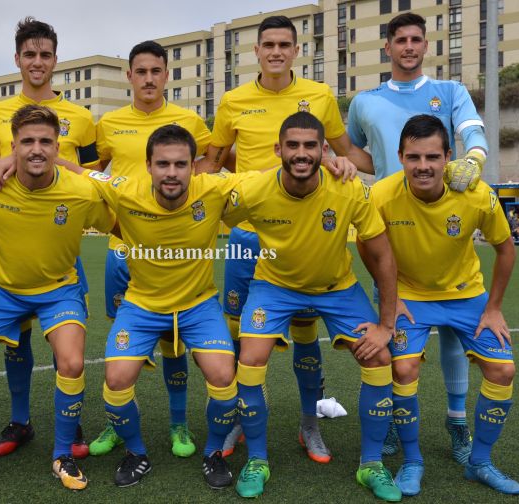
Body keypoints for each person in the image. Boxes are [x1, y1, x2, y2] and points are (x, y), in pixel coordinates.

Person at [197, 15, 370, 462]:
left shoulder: (319, 96)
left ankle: (309, 424)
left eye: (284, 45)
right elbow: (212, 163)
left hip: (303, 232)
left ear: (297, 51)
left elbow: (343, 151)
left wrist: (395, 164)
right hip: (247, 233)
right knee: (239, 333)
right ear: (254, 52)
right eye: (267, 44)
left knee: (305, 331)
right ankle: (239, 417)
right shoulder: (233, 101)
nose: (276, 51)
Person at [221, 112, 401, 501]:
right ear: (278, 150)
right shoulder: (253, 189)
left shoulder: (349, 189)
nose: (300, 154)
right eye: (292, 146)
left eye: (309, 146)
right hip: (275, 286)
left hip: (337, 288)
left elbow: (382, 255)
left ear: (324, 150)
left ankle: (372, 464)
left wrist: (386, 323)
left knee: (379, 357)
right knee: (249, 357)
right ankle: (258, 459)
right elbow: (207, 210)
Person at [0, 105, 114, 492]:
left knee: (71, 363)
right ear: (13, 147)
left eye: (44, 142)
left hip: (59, 289)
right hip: (0, 289)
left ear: (58, 147)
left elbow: (119, 220)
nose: (36, 149)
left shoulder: (82, 191)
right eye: (27, 141)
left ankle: (62, 454)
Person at [347, 12, 490, 461]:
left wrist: (476, 158)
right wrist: (358, 169)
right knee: (392, 330)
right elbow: (355, 150)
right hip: (390, 227)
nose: (408, 46)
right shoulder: (364, 101)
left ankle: (457, 422)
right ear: (386, 48)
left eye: (416, 39)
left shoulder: (448, 92)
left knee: (451, 331)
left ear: (425, 45)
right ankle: (392, 422)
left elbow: (471, 131)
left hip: (443, 224)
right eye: (400, 40)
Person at [87, 124, 254, 489]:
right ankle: (136, 452)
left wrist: (329, 164)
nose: (172, 173)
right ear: (147, 165)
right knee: (115, 381)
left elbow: (270, 177)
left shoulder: (212, 189)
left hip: (198, 305)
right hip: (142, 305)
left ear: (193, 167)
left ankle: (212, 453)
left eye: (181, 164)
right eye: (163, 164)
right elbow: (80, 172)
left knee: (225, 377)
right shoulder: (124, 190)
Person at [369, 114, 519, 496]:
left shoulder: (476, 194)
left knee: (503, 371)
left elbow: (505, 250)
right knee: (402, 369)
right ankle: (412, 461)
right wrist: (392, 298)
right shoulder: (382, 195)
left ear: (448, 156)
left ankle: (480, 462)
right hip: (412, 298)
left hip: (467, 296)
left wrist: (494, 308)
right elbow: (369, 248)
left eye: (433, 157)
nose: (424, 166)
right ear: (401, 156)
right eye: (414, 157)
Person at [88, 40, 213, 458]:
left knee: (174, 339)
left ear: (166, 74)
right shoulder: (108, 124)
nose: (147, 79)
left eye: (155, 71)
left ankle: (178, 424)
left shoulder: (189, 120)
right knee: (123, 339)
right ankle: (117, 423)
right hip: (123, 247)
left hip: (175, 248)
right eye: (139, 71)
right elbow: (92, 172)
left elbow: (209, 165)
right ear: (129, 76)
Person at [0, 17, 98, 459]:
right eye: (28, 54)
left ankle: (70, 424)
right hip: (12, 242)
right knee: (17, 337)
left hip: (61, 244)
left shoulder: (82, 117)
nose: (36, 62)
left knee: (64, 337)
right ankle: (20, 420)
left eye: (44, 54)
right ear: (17, 59)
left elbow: (93, 176)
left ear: (56, 59)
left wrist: (63, 169)